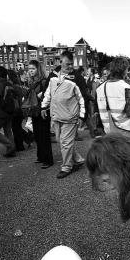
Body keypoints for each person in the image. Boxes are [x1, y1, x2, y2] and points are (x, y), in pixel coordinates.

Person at [41, 51, 87, 179]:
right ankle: (77, 159)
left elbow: (83, 98)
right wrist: (44, 106)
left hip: (70, 117)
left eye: (72, 64)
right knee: (60, 141)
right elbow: (48, 93)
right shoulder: (53, 76)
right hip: (56, 115)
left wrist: (83, 116)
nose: (71, 67)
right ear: (60, 62)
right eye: (68, 64)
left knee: (65, 142)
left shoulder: (77, 78)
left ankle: (67, 167)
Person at [96, 57, 130, 135]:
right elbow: (129, 112)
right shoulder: (126, 87)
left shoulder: (100, 88)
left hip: (107, 130)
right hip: (124, 130)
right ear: (124, 70)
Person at [26, 60, 54, 168]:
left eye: (33, 69)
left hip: (42, 111)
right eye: (29, 69)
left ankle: (48, 160)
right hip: (34, 111)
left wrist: (40, 96)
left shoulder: (44, 81)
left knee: (44, 136)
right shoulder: (32, 81)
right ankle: (41, 156)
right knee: (37, 135)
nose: (30, 71)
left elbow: (48, 96)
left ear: (38, 69)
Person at [0, 66, 16, 157]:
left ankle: (10, 146)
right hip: (10, 111)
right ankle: (11, 151)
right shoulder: (9, 83)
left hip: (1, 113)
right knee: (8, 130)